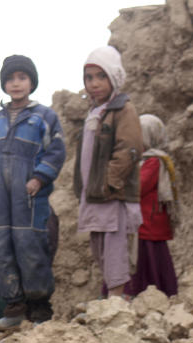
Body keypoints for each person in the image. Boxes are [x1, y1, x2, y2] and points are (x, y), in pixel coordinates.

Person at [0, 54, 66, 331]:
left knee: (31, 249)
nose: (16, 84)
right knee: (3, 250)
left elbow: (56, 152)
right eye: (11, 78)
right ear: (4, 84)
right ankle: (13, 309)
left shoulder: (44, 118)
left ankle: (39, 312)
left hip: (30, 199)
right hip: (1, 201)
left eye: (22, 78)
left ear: (32, 82)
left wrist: (39, 177)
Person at [73, 45, 145, 299]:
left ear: (114, 77)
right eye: (89, 77)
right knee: (99, 245)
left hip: (113, 194)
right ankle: (113, 296)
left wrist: (109, 183)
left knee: (115, 246)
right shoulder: (94, 113)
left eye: (101, 76)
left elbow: (130, 148)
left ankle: (116, 297)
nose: (94, 83)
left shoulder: (123, 110)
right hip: (94, 194)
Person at [126, 114, 178, 296]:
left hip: (148, 223)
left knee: (147, 262)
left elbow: (138, 187)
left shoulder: (154, 161)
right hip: (145, 223)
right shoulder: (144, 160)